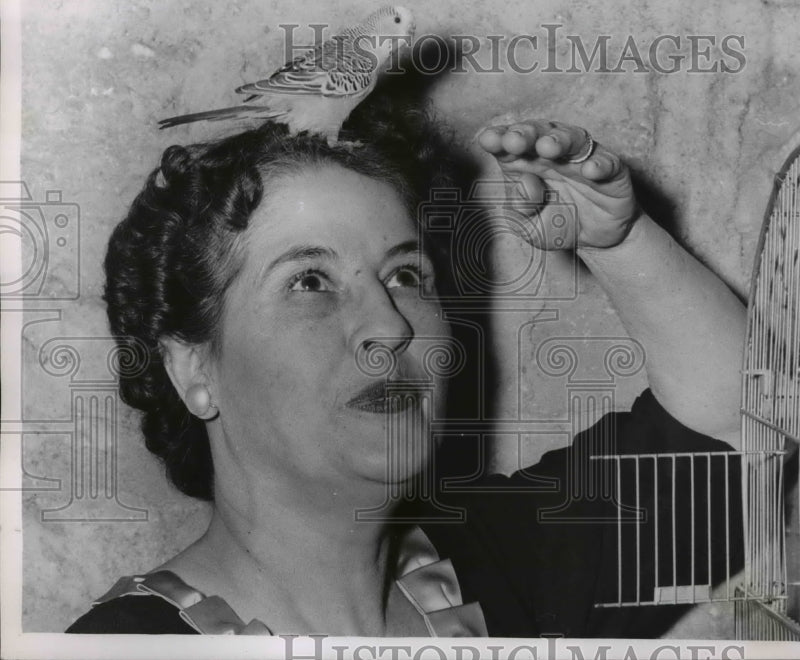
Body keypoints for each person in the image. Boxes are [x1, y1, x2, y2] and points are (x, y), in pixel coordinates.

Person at [66, 97, 746, 638]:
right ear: (193, 370)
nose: (390, 325)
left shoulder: (503, 564)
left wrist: (619, 239)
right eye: (310, 282)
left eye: (406, 274)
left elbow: (742, 423)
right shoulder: (120, 645)